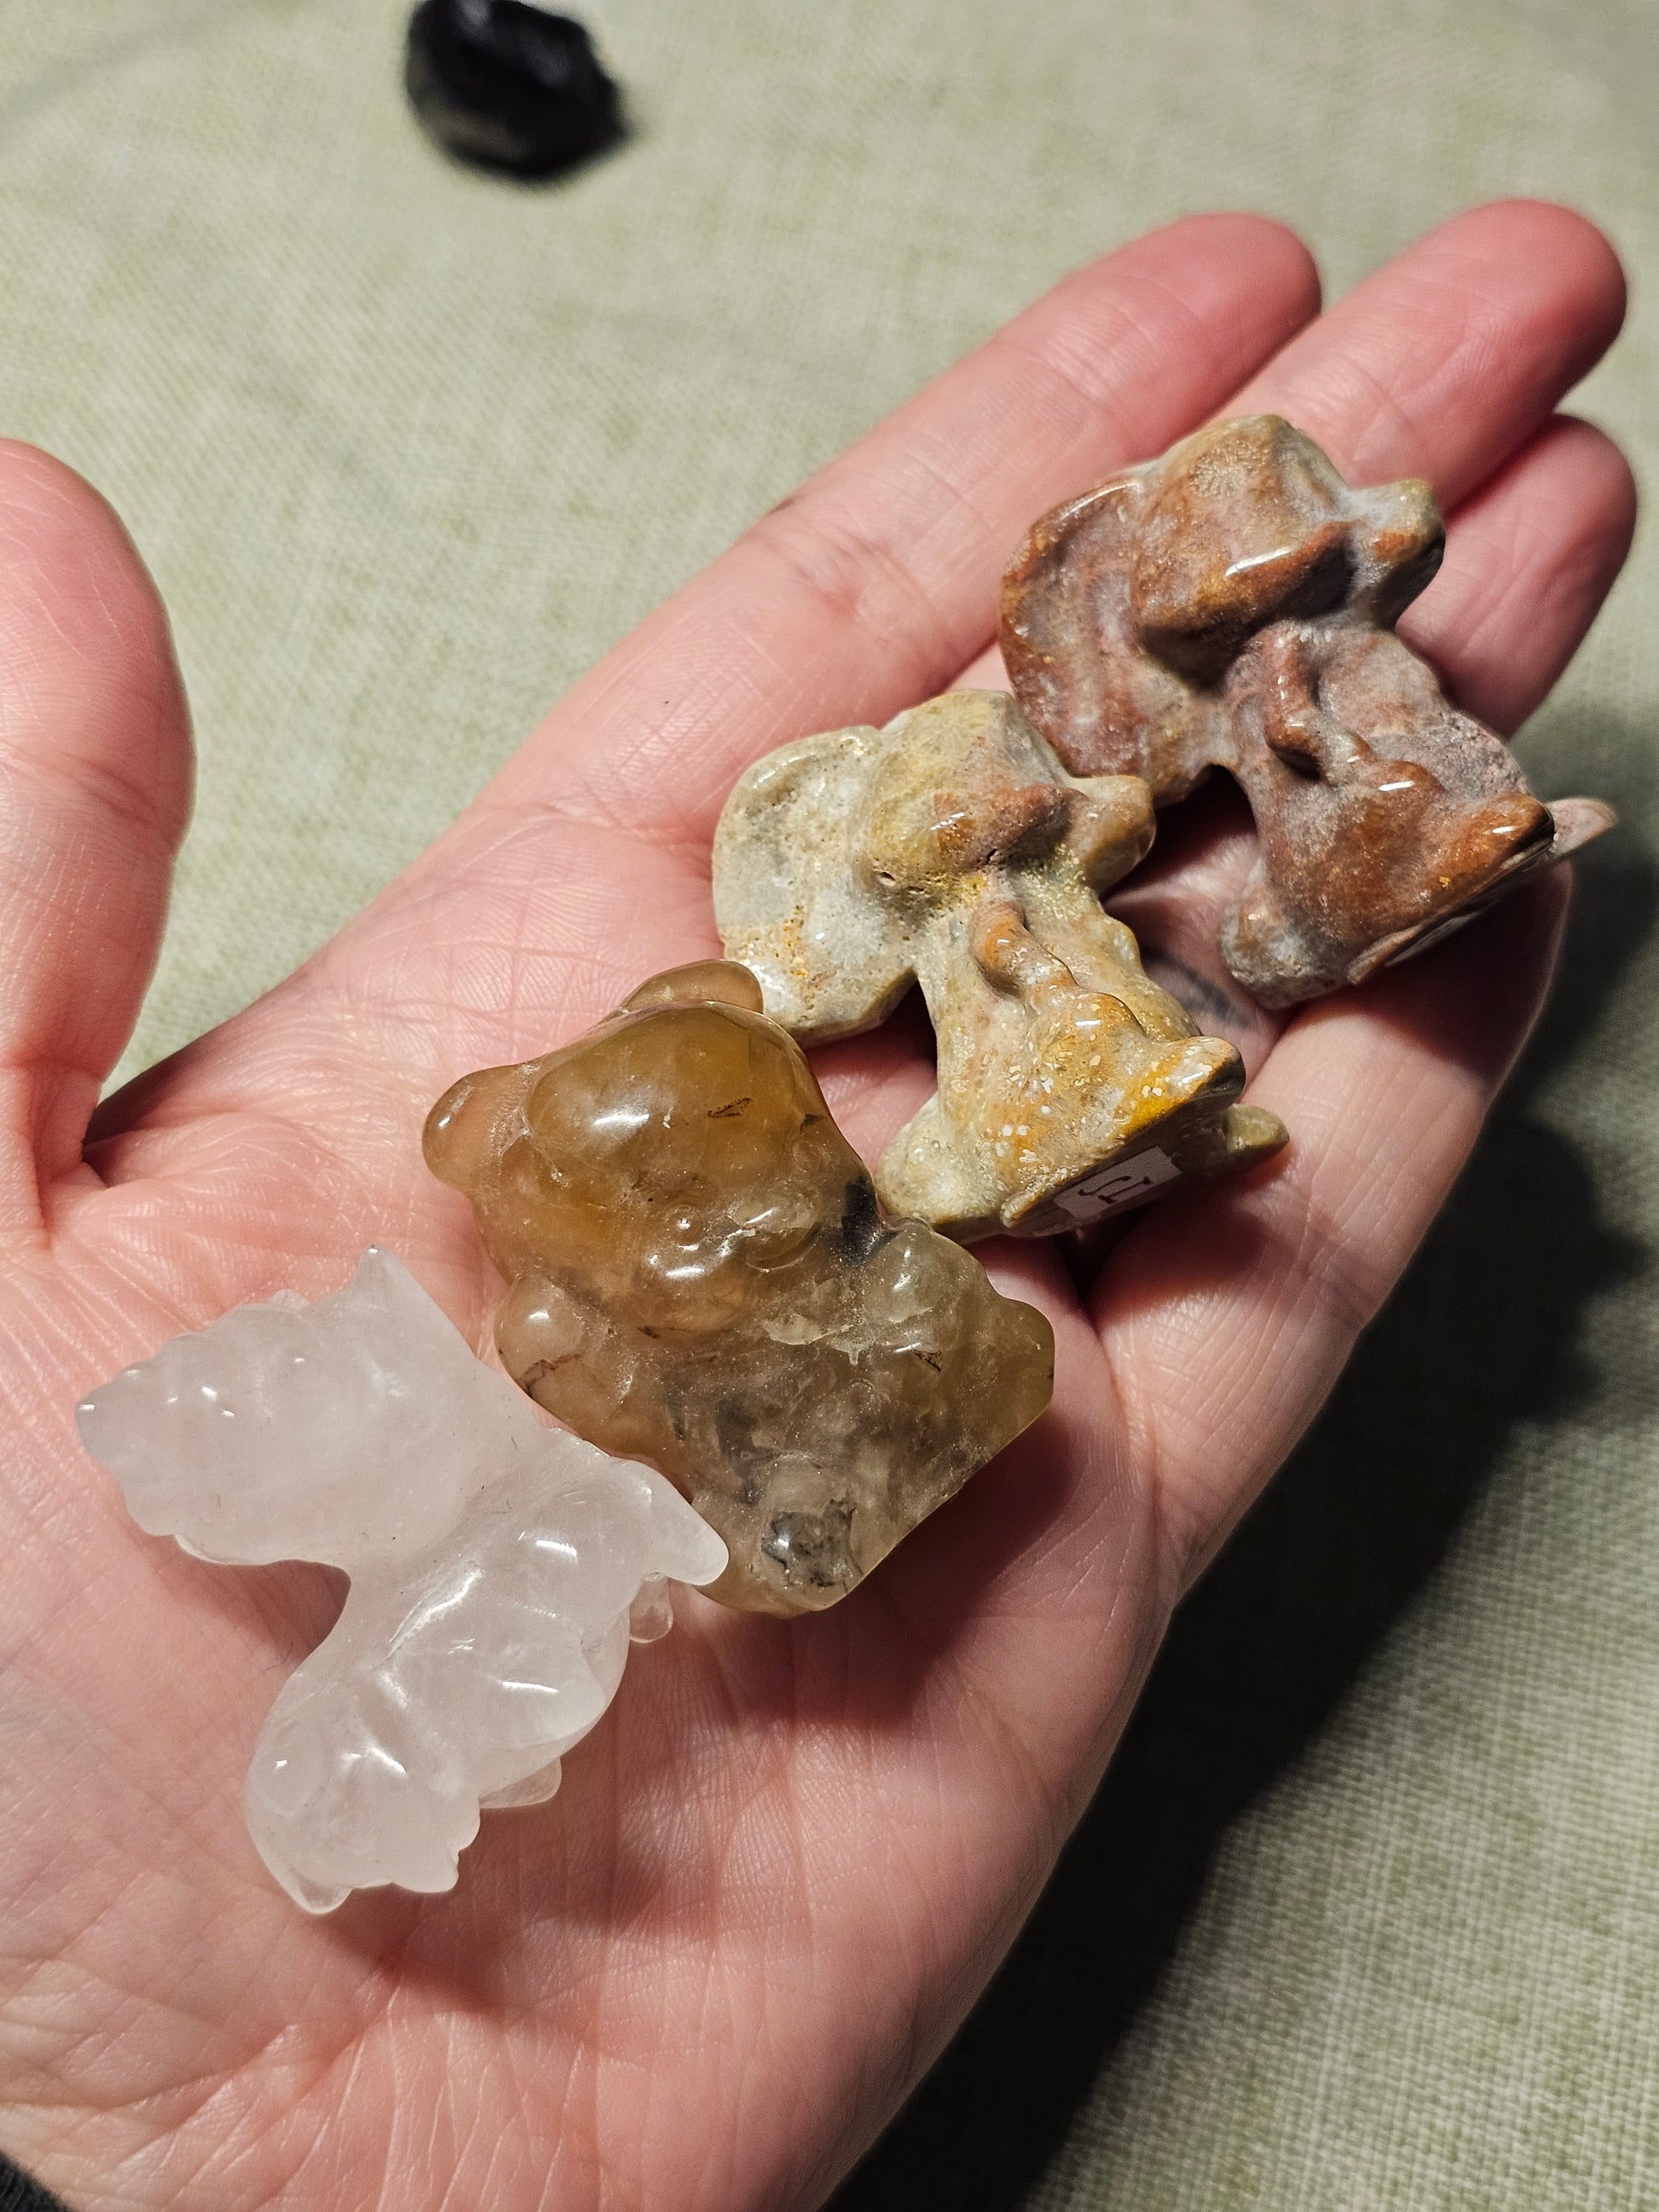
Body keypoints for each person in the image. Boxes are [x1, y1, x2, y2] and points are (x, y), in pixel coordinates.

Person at [0, 199, 1633, 2210]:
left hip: (880, 1290)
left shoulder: (835, 1122)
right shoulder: (581, 1328)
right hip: (785, 1392)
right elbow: (611, 1344)